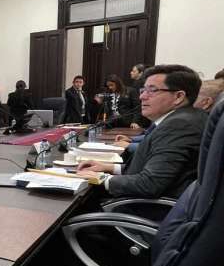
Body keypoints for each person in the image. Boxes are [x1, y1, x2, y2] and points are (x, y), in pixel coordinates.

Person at [78, 64, 208, 199]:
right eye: (143, 90)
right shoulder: (181, 119)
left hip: (141, 210)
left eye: (152, 90)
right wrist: (109, 167)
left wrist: (102, 178)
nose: (142, 97)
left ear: (178, 97)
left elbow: (150, 183)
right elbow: (152, 170)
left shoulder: (180, 125)